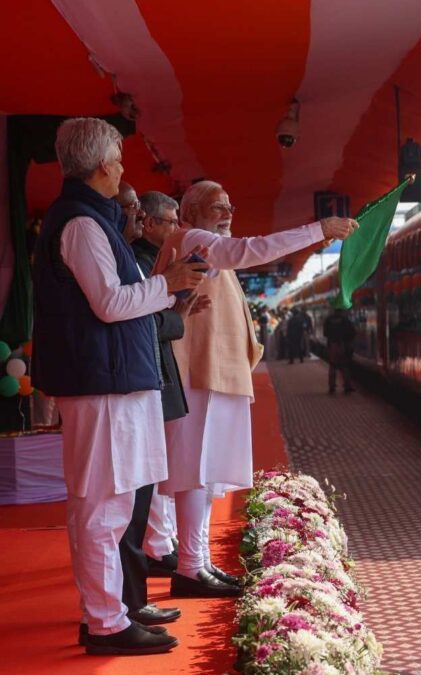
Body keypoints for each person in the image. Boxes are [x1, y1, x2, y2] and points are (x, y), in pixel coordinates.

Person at [31, 118, 205, 655]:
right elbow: (109, 304)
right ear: (104, 165)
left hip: (114, 382)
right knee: (102, 506)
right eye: (121, 160)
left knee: (113, 502)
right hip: (100, 384)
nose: (124, 168)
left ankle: (110, 614)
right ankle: (105, 622)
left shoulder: (93, 222)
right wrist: (166, 285)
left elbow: (117, 301)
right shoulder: (82, 225)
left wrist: (165, 291)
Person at [153, 180, 357, 598]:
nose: (227, 212)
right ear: (189, 212)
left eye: (230, 205)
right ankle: (190, 567)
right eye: (215, 206)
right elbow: (250, 251)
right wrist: (318, 230)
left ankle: (199, 562)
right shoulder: (192, 238)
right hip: (197, 372)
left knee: (206, 475)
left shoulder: (202, 244)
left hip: (214, 372)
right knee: (195, 471)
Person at [133, 191, 210, 578]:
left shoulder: (157, 259)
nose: (177, 228)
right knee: (156, 466)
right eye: (170, 221)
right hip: (150, 369)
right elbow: (140, 319)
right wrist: (176, 313)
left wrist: (180, 308)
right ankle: (157, 545)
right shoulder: (145, 261)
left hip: (156, 368)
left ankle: (161, 542)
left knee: (161, 463)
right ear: (148, 223)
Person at [323, 308, 356, 394]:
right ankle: (347, 386)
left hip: (332, 344)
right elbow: (352, 332)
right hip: (342, 345)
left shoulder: (328, 320)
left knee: (332, 365)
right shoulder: (345, 320)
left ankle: (332, 386)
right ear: (341, 311)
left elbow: (325, 333)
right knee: (345, 365)